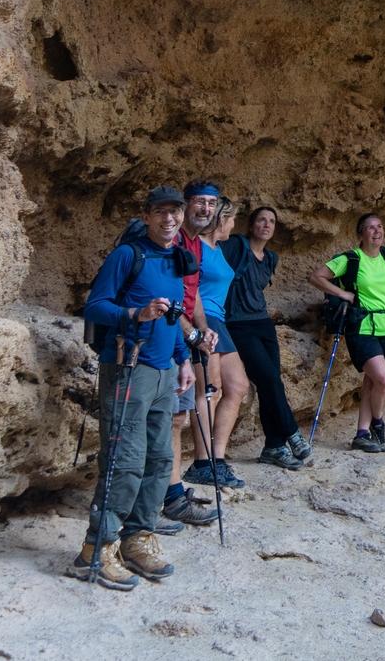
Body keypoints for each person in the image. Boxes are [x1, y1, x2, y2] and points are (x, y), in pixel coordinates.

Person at [69, 186, 193, 590]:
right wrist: (135, 313)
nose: (169, 219)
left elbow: (174, 317)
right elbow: (96, 306)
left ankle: (137, 538)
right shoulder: (129, 255)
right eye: (161, 212)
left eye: (175, 212)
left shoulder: (175, 259)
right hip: (128, 367)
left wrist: (184, 360)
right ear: (147, 215)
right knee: (124, 459)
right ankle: (95, 549)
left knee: (159, 459)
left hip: (163, 372)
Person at [311, 212, 385, 452]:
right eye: (370, 228)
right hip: (362, 327)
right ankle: (378, 424)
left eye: (380, 226)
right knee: (383, 379)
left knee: (371, 382)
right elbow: (316, 277)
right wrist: (343, 294)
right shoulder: (351, 259)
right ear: (360, 234)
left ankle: (362, 434)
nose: (377, 231)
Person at [223, 204, 310, 469]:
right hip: (237, 324)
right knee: (269, 379)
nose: (266, 225)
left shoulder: (271, 259)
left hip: (263, 324)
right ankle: (292, 433)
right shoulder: (236, 246)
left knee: (272, 384)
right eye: (261, 220)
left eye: (271, 221)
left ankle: (273, 447)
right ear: (251, 226)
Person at [160, 183, 224, 527]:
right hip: (164, 336)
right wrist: (194, 333)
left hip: (181, 340)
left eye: (211, 203)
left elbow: (192, 293)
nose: (205, 208)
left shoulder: (196, 245)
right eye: (200, 201)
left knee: (178, 418)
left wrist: (204, 328)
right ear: (186, 205)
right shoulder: (172, 241)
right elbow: (166, 295)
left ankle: (170, 490)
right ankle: (167, 494)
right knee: (168, 416)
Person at [180, 196, 250, 488]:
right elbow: (190, 286)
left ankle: (216, 458)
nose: (234, 225)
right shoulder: (196, 247)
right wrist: (197, 327)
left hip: (219, 320)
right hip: (203, 319)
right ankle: (201, 461)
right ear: (223, 219)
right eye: (232, 219)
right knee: (209, 389)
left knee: (237, 386)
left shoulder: (217, 249)